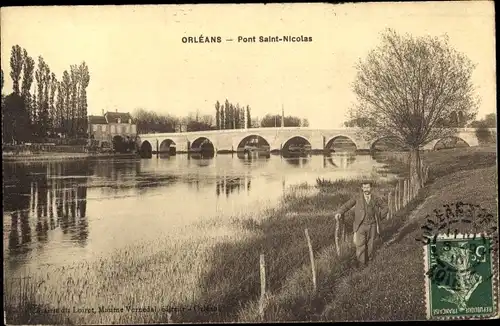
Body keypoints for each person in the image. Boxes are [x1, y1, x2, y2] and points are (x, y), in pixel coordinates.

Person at [334, 181, 388, 267]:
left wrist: (379, 217)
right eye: (364, 188)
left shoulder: (376, 198)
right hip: (360, 225)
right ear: (362, 188)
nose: (366, 190)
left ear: (371, 188)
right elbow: (347, 205)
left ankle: (370, 261)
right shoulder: (357, 197)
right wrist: (339, 212)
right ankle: (361, 264)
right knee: (360, 245)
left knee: (371, 244)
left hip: (372, 225)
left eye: (368, 187)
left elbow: (385, 207)